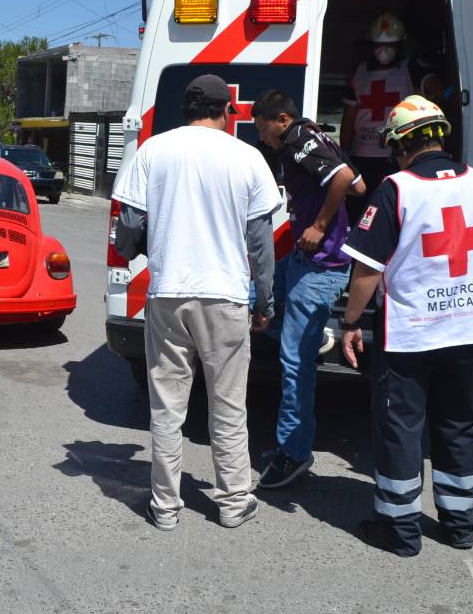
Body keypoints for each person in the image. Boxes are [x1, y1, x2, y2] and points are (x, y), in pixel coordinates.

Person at [338, 96, 473, 557]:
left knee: (401, 429)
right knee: (458, 426)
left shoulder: (397, 188)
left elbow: (367, 269)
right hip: (471, 332)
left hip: (411, 335)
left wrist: (350, 321)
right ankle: (460, 524)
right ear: (441, 136)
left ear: (399, 145)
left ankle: (399, 529)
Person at [113, 74, 283, 531]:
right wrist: (265, 301)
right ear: (227, 110)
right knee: (228, 405)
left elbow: (128, 225)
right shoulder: (247, 157)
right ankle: (233, 503)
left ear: (186, 109)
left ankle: (165, 507)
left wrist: (146, 249)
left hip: (168, 293)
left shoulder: (153, 150)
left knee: (167, 407)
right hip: (225, 297)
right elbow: (261, 241)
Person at [251, 90, 365, 488]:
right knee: (251, 298)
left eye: (264, 128)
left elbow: (346, 180)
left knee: (295, 365)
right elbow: (359, 185)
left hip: (320, 267)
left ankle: (294, 453)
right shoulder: (314, 137)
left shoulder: (300, 137)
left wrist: (319, 224)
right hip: (302, 261)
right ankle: (310, 336)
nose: (262, 137)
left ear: (282, 120)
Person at [340, 11, 441, 221]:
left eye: (389, 45)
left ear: (400, 44)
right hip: (361, 157)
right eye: (378, 45)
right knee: (358, 213)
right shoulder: (358, 72)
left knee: (391, 212)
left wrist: (446, 94)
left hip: (396, 155)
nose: (383, 50)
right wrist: (344, 154)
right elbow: (349, 117)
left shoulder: (412, 68)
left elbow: (435, 86)